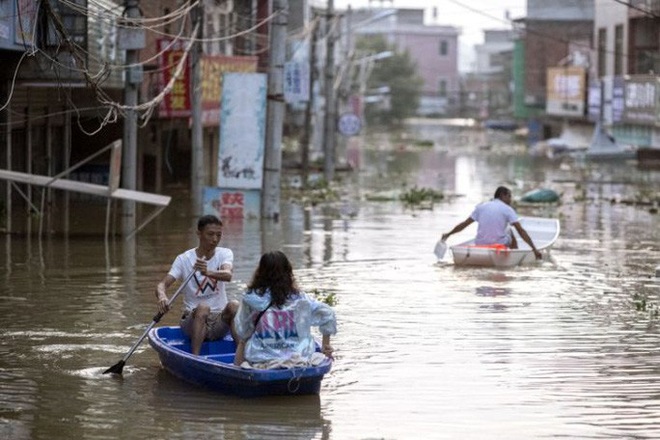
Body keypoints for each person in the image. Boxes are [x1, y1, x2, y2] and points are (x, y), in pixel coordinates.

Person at [233, 250, 337, 368]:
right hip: (299, 358)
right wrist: (325, 345)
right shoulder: (301, 299)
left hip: (261, 360)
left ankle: (235, 376)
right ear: (288, 272)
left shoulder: (251, 298)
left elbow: (241, 329)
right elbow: (327, 313)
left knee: (243, 341)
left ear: (260, 272)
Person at [155, 215, 239, 355]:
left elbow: (228, 275)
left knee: (234, 305)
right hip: (193, 320)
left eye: (218, 235)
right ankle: (195, 358)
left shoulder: (224, 253)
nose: (215, 239)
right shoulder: (184, 259)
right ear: (199, 234)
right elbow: (162, 285)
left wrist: (207, 272)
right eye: (210, 234)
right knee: (203, 308)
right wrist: (162, 297)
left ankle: (243, 356)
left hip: (219, 321)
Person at [441, 186, 542, 259]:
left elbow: (464, 224)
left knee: (504, 230)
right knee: (510, 230)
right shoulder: (507, 209)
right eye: (509, 196)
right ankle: (513, 256)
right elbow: (521, 231)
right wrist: (534, 249)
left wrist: (448, 234)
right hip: (498, 245)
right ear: (502, 195)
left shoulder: (481, 207)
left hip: (480, 244)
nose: (510, 200)